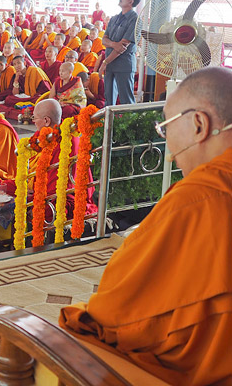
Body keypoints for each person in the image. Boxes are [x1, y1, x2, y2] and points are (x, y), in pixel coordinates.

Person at [60, 66, 232, 385]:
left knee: (69, 328)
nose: (167, 145)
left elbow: (114, 312)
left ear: (198, 124)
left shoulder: (198, 200)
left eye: (166, 126)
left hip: (200, 372)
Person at [100, 0, 140, 105]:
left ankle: (130, 123)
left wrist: (105, 62)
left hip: (124, 65)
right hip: (110, 64)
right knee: (109, 100)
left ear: (131, 2)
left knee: (126, 100)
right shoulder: (114, 19)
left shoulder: (135, 20)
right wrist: (113, 44)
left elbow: (122, 47)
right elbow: (104, 40)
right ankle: (109, 123)